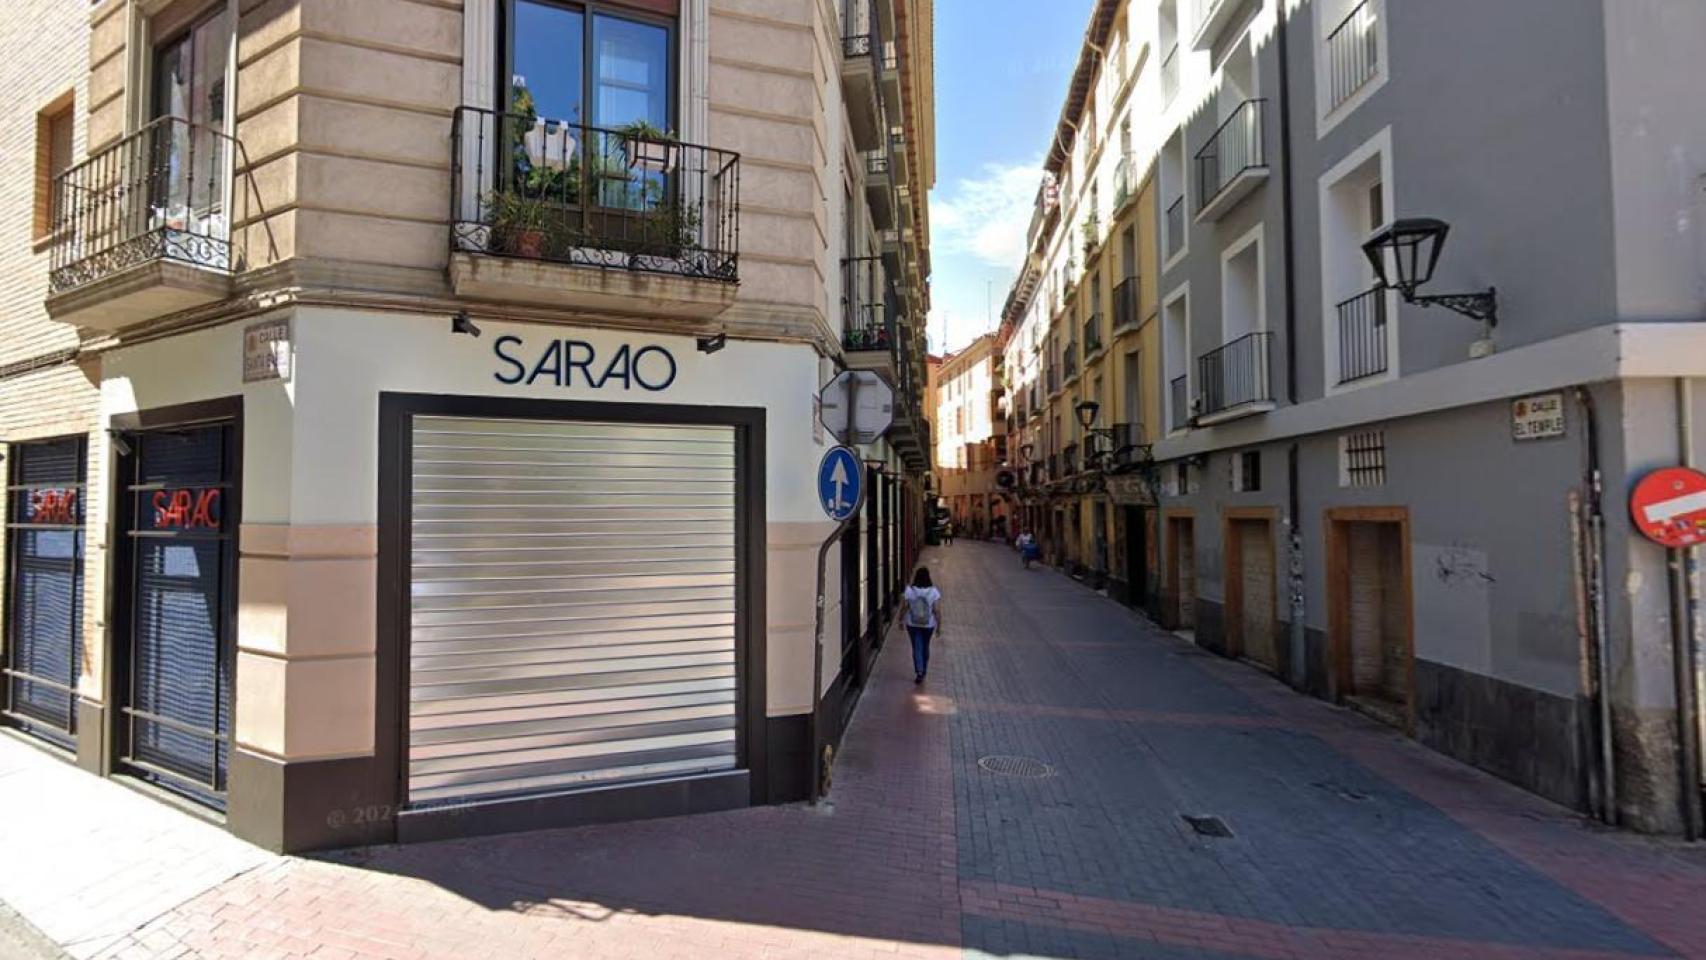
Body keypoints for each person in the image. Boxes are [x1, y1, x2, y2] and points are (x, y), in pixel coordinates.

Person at [899, 567, 942, 684]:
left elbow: (904, 607)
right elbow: (936, 611)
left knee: (917, 646)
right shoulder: (934, 592)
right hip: (929, 625)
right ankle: (923, 670)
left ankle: (919, 671)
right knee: (925, 646)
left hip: (912, 624)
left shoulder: (909, 590)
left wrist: (900, 620)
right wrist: (939, 626)